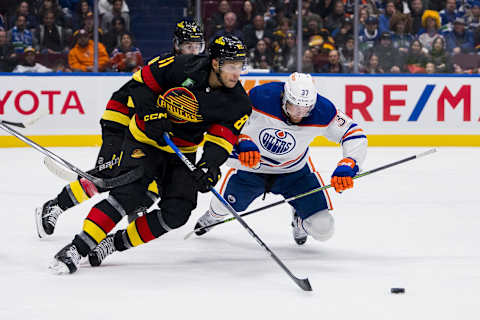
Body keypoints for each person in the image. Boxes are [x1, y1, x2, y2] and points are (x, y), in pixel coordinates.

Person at [48, 35, 251, 275]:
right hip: (144, 139)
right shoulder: (180, 65)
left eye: (240, 66)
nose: (237, 73)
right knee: (129, 194)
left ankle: (112, 244)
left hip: (182, 151)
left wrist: (209, 165)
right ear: (215, 63)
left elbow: (220, 140)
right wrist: (152, 114)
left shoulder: (238, 103)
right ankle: (76, 248)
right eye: (231, 66)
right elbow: (140, 85)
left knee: (178, 212)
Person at [36, 19, 205, 239]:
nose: (193, 51)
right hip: (122, 118)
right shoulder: (165, 64)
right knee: (108, 173)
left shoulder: (197, 73)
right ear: (176, 45)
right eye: (187, 46)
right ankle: (54, 206)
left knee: (157, 174)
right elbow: (137, 93)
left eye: (197, 46)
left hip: (144, 130)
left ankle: (136, 205)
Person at [194, 72, 367, 245]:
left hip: (294, 173)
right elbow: (229, 119)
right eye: (294, 107)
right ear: (284, 98)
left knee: (324, 229)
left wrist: (349, 163)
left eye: (306, 109)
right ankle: (213, 216)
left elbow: (353, 133)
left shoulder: (323, 110)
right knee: (222, 207)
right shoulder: (261, 97)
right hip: (253, 169)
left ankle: (300, 220)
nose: (299, 115)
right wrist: (243, 141)